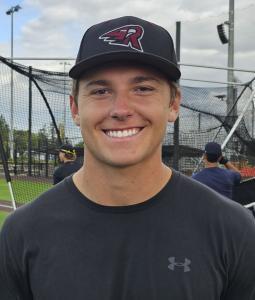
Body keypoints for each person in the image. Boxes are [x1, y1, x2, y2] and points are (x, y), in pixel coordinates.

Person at [0, 16, 255, 300]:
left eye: (142, 88)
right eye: (100, 90)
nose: (121, 109)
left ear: (173, 104)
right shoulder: (21, 233)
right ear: (74, 108)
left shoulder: (234, 230)